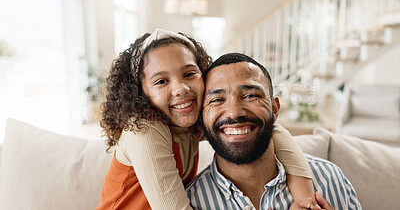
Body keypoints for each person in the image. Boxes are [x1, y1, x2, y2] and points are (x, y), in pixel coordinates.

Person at [96, 29, 316, 210]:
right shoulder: (144, 131)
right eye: (161, 81)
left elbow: (272, 131)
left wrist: (305, 201)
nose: (180, 89)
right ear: (140, 93)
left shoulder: (189, 123)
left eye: (190, 74)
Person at [185, 53, 362, 210]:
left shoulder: (330, 178)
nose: (234, 112)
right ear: (201, 118)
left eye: (250, 96)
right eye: (216, 99)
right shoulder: (191, 201)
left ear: (275, 108)